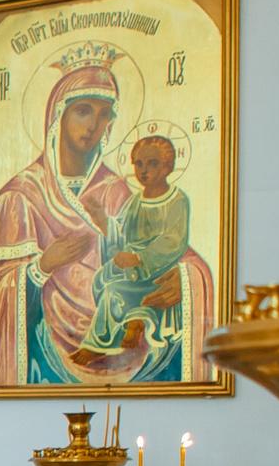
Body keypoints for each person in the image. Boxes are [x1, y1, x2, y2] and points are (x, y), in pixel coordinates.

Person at [0, 45, 217, 386]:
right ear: (59, 116)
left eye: (104, 115)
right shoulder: (21, 197)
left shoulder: (118, 191)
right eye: (84, 111)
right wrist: (42, 267)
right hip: (47, 357)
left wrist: (185, 280)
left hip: (135, 351)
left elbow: (168, 248)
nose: (94, 125)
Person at [79, 133, 193, 361]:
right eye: (138, 164)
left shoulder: (177, 200)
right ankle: (134, 320)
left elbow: (173, 241)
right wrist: (103, 219)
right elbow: (120, 232)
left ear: (168, 166)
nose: (144, 170)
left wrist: (139, 258)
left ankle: (99, 343)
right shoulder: (135, 201)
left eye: (152, 163)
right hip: (131, 264)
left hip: (156, 269)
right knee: (101, 279)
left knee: (114, 291)